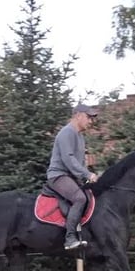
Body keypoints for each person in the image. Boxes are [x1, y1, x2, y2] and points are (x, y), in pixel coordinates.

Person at [46, 103, 100, 250]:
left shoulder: (80, 137)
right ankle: (69, 238)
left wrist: (87, 177)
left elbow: (80, 162)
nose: (91, 121)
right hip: (58, 176)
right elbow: (68, 159)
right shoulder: (67, 132)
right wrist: (87, 174)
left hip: (71, 177)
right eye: (89, 117)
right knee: (80, 198)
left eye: (92, 119)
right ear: (78, 116)